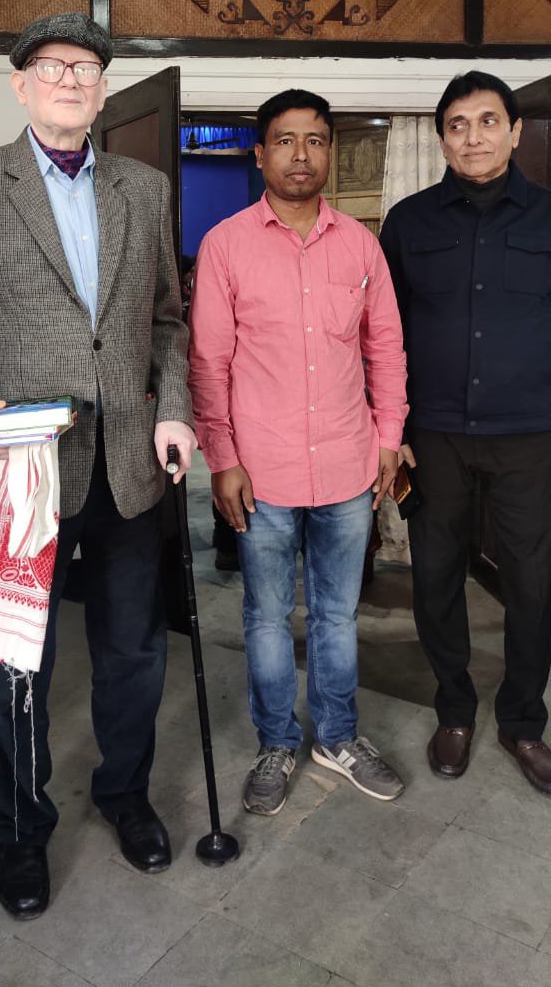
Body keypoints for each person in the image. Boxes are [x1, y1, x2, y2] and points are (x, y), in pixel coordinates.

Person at [0, 13, 196, 919]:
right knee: (18, 661)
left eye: (86, 67)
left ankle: (125, 794)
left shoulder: (144, 188)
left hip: (129, 462)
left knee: (134, 651)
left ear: (104, 89)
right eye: (52, 66)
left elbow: (166, 320)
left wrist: (174, 410)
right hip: (28, 470)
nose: (71, 80)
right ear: (20, 84)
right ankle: (20, 829)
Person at [188, 88, 408, 815]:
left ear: (329, 152)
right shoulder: (226, 245)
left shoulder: (361, 246)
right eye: (285, 140)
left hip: (348, 464)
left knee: (338, 616)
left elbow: (386, 349)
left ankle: (337, 736)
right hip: (263, 472)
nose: (301, 155)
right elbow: (208, 363)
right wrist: (222, 457)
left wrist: (389, 437)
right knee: (266, 615)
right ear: (260, 155)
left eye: (315, 140)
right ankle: (277, 740)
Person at [380, 71, 551, 792]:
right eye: (458, 124)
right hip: (435, 436)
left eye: (487, 121)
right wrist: (391, 426)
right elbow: (383, 334)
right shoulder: (409, 222)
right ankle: (454, 708)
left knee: (534, 584)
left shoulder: (548, 217)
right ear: (442, 138)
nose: (473, 136)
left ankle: (523, 721)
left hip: (530, 435)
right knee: (436, 577)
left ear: (514, 131)